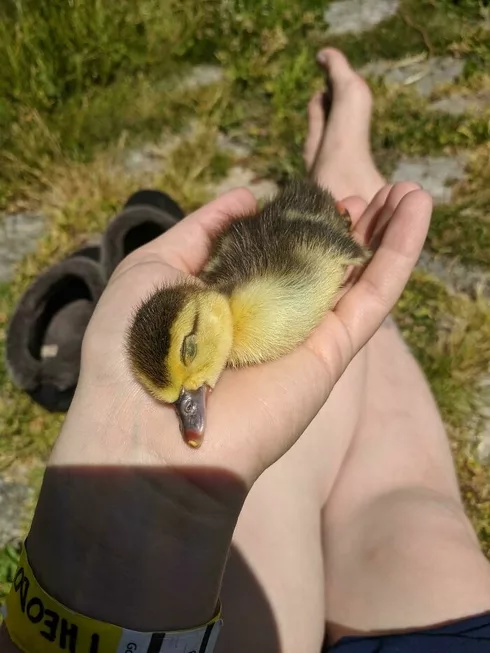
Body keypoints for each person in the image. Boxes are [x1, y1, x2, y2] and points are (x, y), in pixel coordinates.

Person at [1, 48, 490, 653]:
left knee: (361, 482)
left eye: (182, 378)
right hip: (455, 633)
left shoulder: (235, 306)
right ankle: (345, 162)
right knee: (416, 504)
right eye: (180, 393)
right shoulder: (226, 316)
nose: (191, 406)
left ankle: (340, 163)